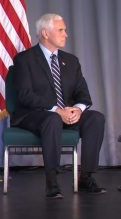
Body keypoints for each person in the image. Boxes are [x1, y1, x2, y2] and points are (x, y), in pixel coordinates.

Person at [12, 13, 106, 199]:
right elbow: (25, 95)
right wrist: (57, 110)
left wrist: (77, 110)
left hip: (65, 113)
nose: (66, 34)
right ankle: (52, 182)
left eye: (65, 30)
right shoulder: (25, 59)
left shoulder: (71, 61)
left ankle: (86, 177)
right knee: (53, 119)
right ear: (45, 33)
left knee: (96, 118)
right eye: (61, 30)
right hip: (35, 115)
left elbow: (83, 94)